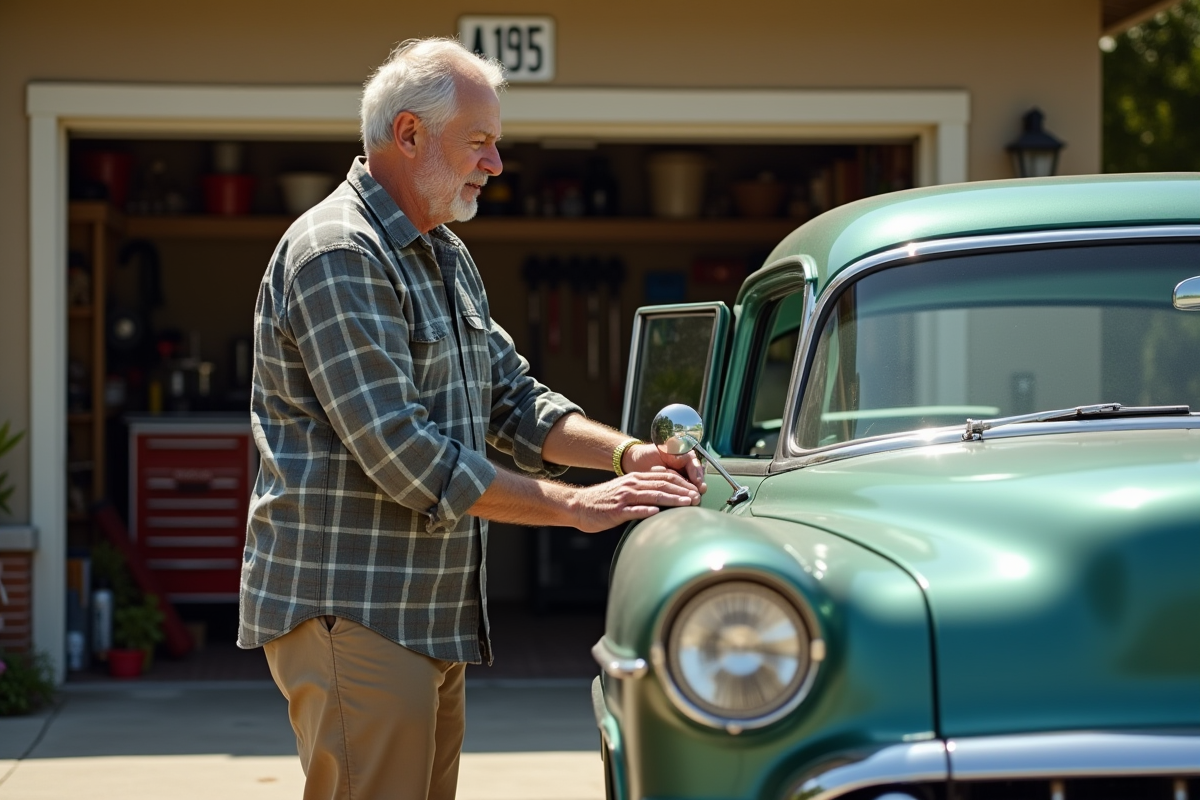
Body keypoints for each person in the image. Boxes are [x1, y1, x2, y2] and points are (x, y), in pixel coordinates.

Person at [239, 37, 706, 800]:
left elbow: (513, 400)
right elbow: (402, 452)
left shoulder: (444, 254)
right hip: (356, 610)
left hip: (425, 611)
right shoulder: (338, 253)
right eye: (479, 143)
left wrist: (627, 457)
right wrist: (574, 507)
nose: (494, 164)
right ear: (409, 135)